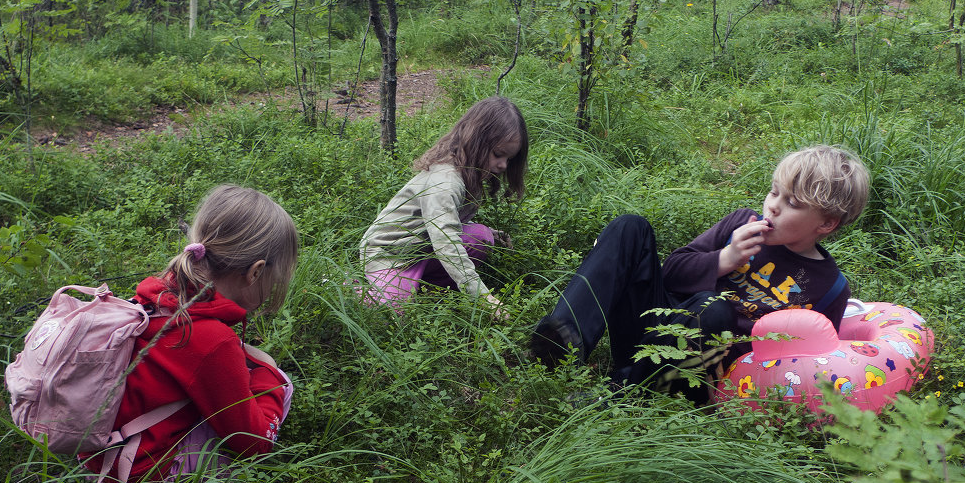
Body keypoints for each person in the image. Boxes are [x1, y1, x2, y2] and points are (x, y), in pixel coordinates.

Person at [531, 145, 870, 404]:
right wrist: (726, 258)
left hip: (694, 372)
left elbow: (812, 359)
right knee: (629, 227)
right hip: (650, 331)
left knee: (715, 308)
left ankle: (620, 392)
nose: (773, 206)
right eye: (773, 191)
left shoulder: (829, 287)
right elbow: (672, 274)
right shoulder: (740, 223)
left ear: (826, 223)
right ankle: (563, 342)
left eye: (793, 203)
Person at [83, 184, 299, 483]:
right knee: (280, 382)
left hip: (99, 452)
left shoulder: (157, 294)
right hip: (141, 478)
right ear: (255, 273)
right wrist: (267, 373)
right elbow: (253, 443)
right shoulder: (211, 340)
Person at [359, 96, 528, 317]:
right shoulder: (445, 181)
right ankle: (348, 287)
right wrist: (484, 298)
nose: (503, 165)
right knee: (395, 312)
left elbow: (449, 225)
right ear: (476, 140)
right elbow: (446, 243)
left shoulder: (473, 172)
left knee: (482, 236)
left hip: (424, 247)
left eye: (509, 159)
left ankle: (426, 285)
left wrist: (496, 235)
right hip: (392, 255)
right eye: (498, 154)